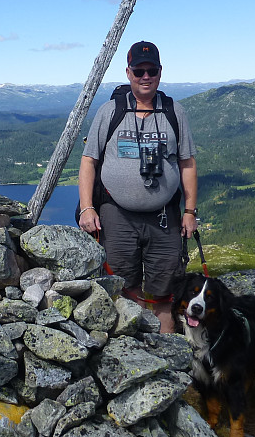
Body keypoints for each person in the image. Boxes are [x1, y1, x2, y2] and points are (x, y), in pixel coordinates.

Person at [78, 40, 198, 333]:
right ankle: (132, 359)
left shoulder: (173, 112)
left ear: (160, 72)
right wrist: (87, 208)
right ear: (128, 72)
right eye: (139, 71)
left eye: (151, 70)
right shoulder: (111, 111)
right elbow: (89, 161)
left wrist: (190, 211)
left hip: (164, 215)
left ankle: (168, 364)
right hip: (116, 215)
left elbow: (187, 164)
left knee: (164, 293)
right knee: (122, 288)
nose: (145, 77)